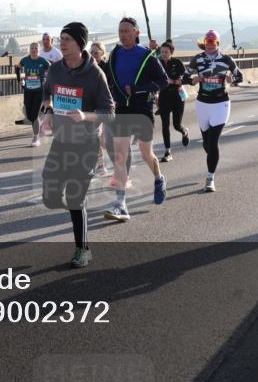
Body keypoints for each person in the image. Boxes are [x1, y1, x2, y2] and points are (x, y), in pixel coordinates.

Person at [40, 22, 114, 268]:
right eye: (61, 38)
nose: (62, 42)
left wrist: (86, 116)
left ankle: (83, 249)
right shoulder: (56, 69)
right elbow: (46, 92)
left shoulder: (95, 75)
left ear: (80, 44)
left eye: (67, 39)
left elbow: (109, 112)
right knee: (50, 196)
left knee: (75, 197)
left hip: (86, 145)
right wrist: (49, 111)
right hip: (61, 142)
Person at [102, 17, 170, 221]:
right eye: (120, 30)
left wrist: (139, 89)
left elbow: (163, 81)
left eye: (127, 31)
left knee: (146, 153)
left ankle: (159, 178)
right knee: (121, 156)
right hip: (122, 109)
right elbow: (108, 78)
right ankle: (120, 204)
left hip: (142, 110)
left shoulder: (147, 56)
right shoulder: (115, 54)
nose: (123, 34)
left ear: (136, 33)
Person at [184, 30, 243, 192]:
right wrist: (192, 80)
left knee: (213, 140)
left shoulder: (226, 59)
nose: (210, 45)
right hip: (202, 103)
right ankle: (212, 158)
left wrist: (232, 78)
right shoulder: (198, 59)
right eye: (208, 42)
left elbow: (240, 76)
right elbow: (184, 77)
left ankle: (210, 178)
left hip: (220, 103)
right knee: (206, 142)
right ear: (205, 43)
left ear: (218, 43)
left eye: (213, 42)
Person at [156, 41, 189, 162]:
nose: (164, 54)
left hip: (177, 96)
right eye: (162, 52)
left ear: (171, 53)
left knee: (176, 125)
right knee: (165, 125)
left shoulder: (177, 63)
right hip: (164, 97)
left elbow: (185, 79)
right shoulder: (157, 63)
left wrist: (173, 81)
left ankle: (184, 131)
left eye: (166, 52)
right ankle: (168, 151)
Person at [88, 41, 116, 177]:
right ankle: (99, 165)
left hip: (106, 107)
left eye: (96, 52)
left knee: (106, 141)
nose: (93, 55)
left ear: (102, 54)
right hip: (92, 108)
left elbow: (111, 87)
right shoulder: (87, 67)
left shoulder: (107, 68)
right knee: (95, 137)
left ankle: (119, 165)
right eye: (91, 52)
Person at [16, 42, 50, 146]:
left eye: (36, 48)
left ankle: (35, 138)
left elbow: (52, 69)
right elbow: (17, 67)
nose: (34, 49)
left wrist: (46, 79)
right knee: (29, 115)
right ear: (29, 50)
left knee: (34, 115)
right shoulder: (25, 60)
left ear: (39, 50)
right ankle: (40, 121)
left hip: (39, 91)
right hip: (28, 91)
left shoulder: (43, 61)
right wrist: (19, 80)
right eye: (32, 48)